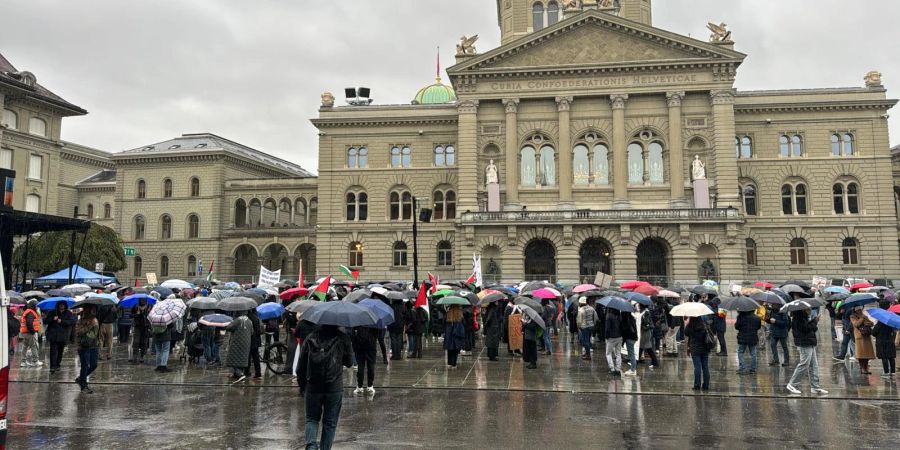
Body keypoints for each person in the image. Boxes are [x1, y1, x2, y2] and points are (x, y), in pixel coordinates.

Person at [297, 324, 353, 450]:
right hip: (334, 387)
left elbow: (301, 365)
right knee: (330, 423)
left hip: (313, 386)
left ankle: (311, 446)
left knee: (311, 419)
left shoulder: (310, 338)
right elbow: (349, 362)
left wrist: (302, 386)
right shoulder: (343, 338)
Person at [786, 309, 828, 394]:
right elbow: (806, 329)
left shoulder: (804, 318)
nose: (809, 310)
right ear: (802, 310)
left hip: (810, 342)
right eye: (807, 309)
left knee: (814, 365)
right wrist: (815, 321)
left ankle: (815, 387)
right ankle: (792, 384)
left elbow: (812, 329)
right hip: (804, 344)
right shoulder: (798, 319)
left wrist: (814, 321)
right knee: (804, 364)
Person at [44, 301, 76, 373]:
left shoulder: (68, 313)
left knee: (60, 351)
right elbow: (45, 321)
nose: (61, 306)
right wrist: (53, 319)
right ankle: (52, 366)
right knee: (53, 351)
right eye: (60, 305)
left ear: (65, 306)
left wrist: (61, 321)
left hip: (63, 335)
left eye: (63, 305)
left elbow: (72, 322)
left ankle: (58, 364)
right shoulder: (52, 312)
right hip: (53, 335)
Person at [74, 305, 100, 394]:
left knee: (94, 365)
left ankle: (81, 378)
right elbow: (78, 332)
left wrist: (95, 325)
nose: (92, 311)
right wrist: (89, 325)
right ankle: (83, 386)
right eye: (90, 309)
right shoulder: (80, 321)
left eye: (93, 309)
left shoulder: (95, 319)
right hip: (83, 346)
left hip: (94, 345)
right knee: (84, 366)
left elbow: (96, 333)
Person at [684, 316, 711, 391]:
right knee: (705, 367)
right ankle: (706, 385)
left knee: (697, 367)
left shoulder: (691, 325)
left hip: (695, 349)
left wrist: (689, 323)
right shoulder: (704, 324)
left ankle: (697, 385)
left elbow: (686, 333)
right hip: (705, 348)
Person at [351, 325, 378, 395]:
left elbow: (352, 334)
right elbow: (378, 333)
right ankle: (370, 385)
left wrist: (354, 344)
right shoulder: (373, 321)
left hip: (360, 347)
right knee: (371, 366)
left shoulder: (358, 321)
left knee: (361, 367)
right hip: (371, 346)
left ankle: (360, 386)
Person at [225, 312, 253, 381]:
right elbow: (252, 332)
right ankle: (236, 374)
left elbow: (228, 328)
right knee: (242, 357)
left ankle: (240, 374)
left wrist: (231, 323)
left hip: (236, 342)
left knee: (233, 357)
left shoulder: (237, 320)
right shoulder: (249, 321)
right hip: (246, 342)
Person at [849, 307, 876, 375]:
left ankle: (866, 368)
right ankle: (862, 368)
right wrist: (862, 319)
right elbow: (856, 324)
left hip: (866, 336)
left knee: (866, 354)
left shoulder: (864, 316)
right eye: (858, 310)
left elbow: (872, 323)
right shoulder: (852, 317)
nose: (860, 311)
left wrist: (867, 322)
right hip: (859, 337)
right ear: (855, 311)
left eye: (860, 309)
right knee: (861, 354)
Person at [871, 310, 897, 378]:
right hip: (890, 341)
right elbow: (894, 332)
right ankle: (893, 372)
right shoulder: (891, 323)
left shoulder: (880, 323)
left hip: (882, 342)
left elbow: (873, 332)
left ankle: (886, 372)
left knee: (884, 357)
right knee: (891, 357)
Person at [735, 310, 761, 374]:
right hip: (753, 337)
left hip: (742, 337)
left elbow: (736, 327)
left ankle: (742, 368)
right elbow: (758, 327)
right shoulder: (757, 318)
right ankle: (753, 369)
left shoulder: (740, 317)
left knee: (740, 352)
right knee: (753, 353)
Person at [19, 301, 42, 368]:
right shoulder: (31, 312)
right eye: (36, 306)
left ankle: (23, 362)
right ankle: (35, 361)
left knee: (25, 346)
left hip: (25, 332)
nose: (37, 307)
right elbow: (29, 323)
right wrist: (33, 331)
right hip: (30, 333)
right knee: (34, 346)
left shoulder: (27, 311)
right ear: (33, 306)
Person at [130, 299, 151, 364]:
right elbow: (130, 315)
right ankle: (135, 357)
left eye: (144, 300)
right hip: (137, 326)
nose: (143, 301)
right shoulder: (135, 306)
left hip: (146, 327)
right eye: (141, 300)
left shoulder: (149, 306)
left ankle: (142, 356)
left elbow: (152, 316)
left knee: (144, 342)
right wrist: (137, 314)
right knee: (136, 342)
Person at [604, 308, 623, 376]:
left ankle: (612, 369)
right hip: (619, 336)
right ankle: (618, 369)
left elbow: (607, 328)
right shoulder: (619, 315)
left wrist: (606, 337)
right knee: (618, 353)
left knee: (608, 353)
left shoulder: (609, 316)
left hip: (611, 337)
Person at [621, 310, 638, 376]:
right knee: (631, 353)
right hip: (633, 337)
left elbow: (625, 331)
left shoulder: (626, 321)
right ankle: (633, 368)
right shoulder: (631, 317)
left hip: (630, 338)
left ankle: (633, 370)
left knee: (631, 354)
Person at [246, 309, 263, 379]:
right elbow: (258, 330)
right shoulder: (256, 317)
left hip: (250, 339)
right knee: (256, 357)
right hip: (256, 340)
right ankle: (258, 372)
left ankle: (247, 372)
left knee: (248, 356)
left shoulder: (248, 318)